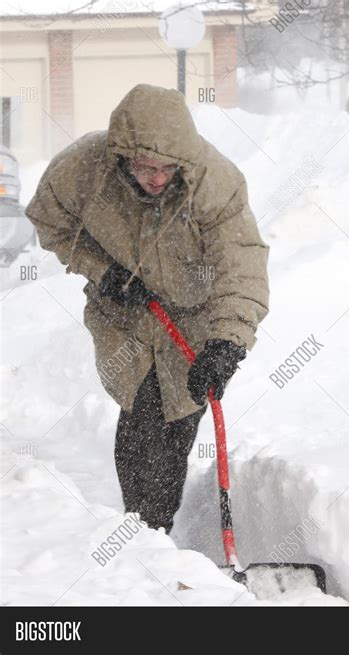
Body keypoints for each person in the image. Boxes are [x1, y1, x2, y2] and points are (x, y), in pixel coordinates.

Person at [25, 84, 270, 534]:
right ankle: (146, 528)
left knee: (180, 412)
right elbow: (50, 224)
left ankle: (155, 525)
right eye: (145, 167)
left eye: (168, 168)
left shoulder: (214, 182)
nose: (158, 179)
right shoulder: (81, 169)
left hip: (194, 319)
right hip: (126, 314)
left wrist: (227, 343)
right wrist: (104, 272)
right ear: (122, 155)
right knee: (143, 409)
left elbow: (243, 266)